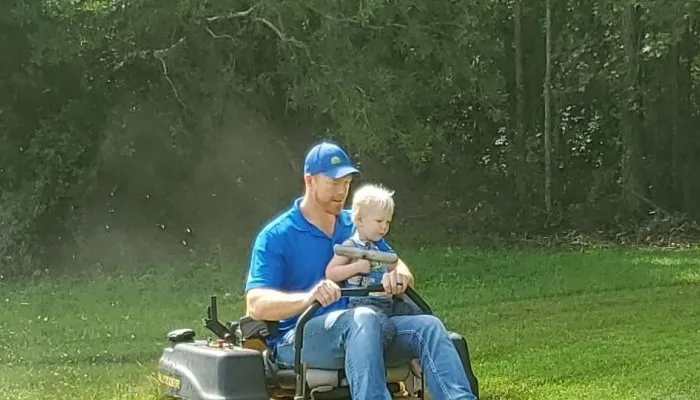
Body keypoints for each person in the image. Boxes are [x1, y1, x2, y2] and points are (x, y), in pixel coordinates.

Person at [244, 141, 477, 400]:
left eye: (346, 183)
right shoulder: (277, 235)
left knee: (429, 326)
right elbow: (257, 304)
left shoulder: (357, 222)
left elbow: (397, 264)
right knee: (363, 318)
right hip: (301, 339)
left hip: (371, 328)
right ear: (309, 181)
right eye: (334, 183)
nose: (342, 191)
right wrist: (310, 297)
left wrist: (398, 277)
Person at [325, 183, 424, 376]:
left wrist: (396, 277)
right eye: (379, 221)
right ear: (359, 220)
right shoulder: (351, 245)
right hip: (364, 303)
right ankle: (372, 360)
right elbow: (331, 272)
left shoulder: (381, 247)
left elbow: (396, 265)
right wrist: (356, 267)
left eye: (387, 222)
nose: (384, 227)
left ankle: (416, 358)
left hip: (387, 300)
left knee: (418, 312)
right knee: (382, 329)